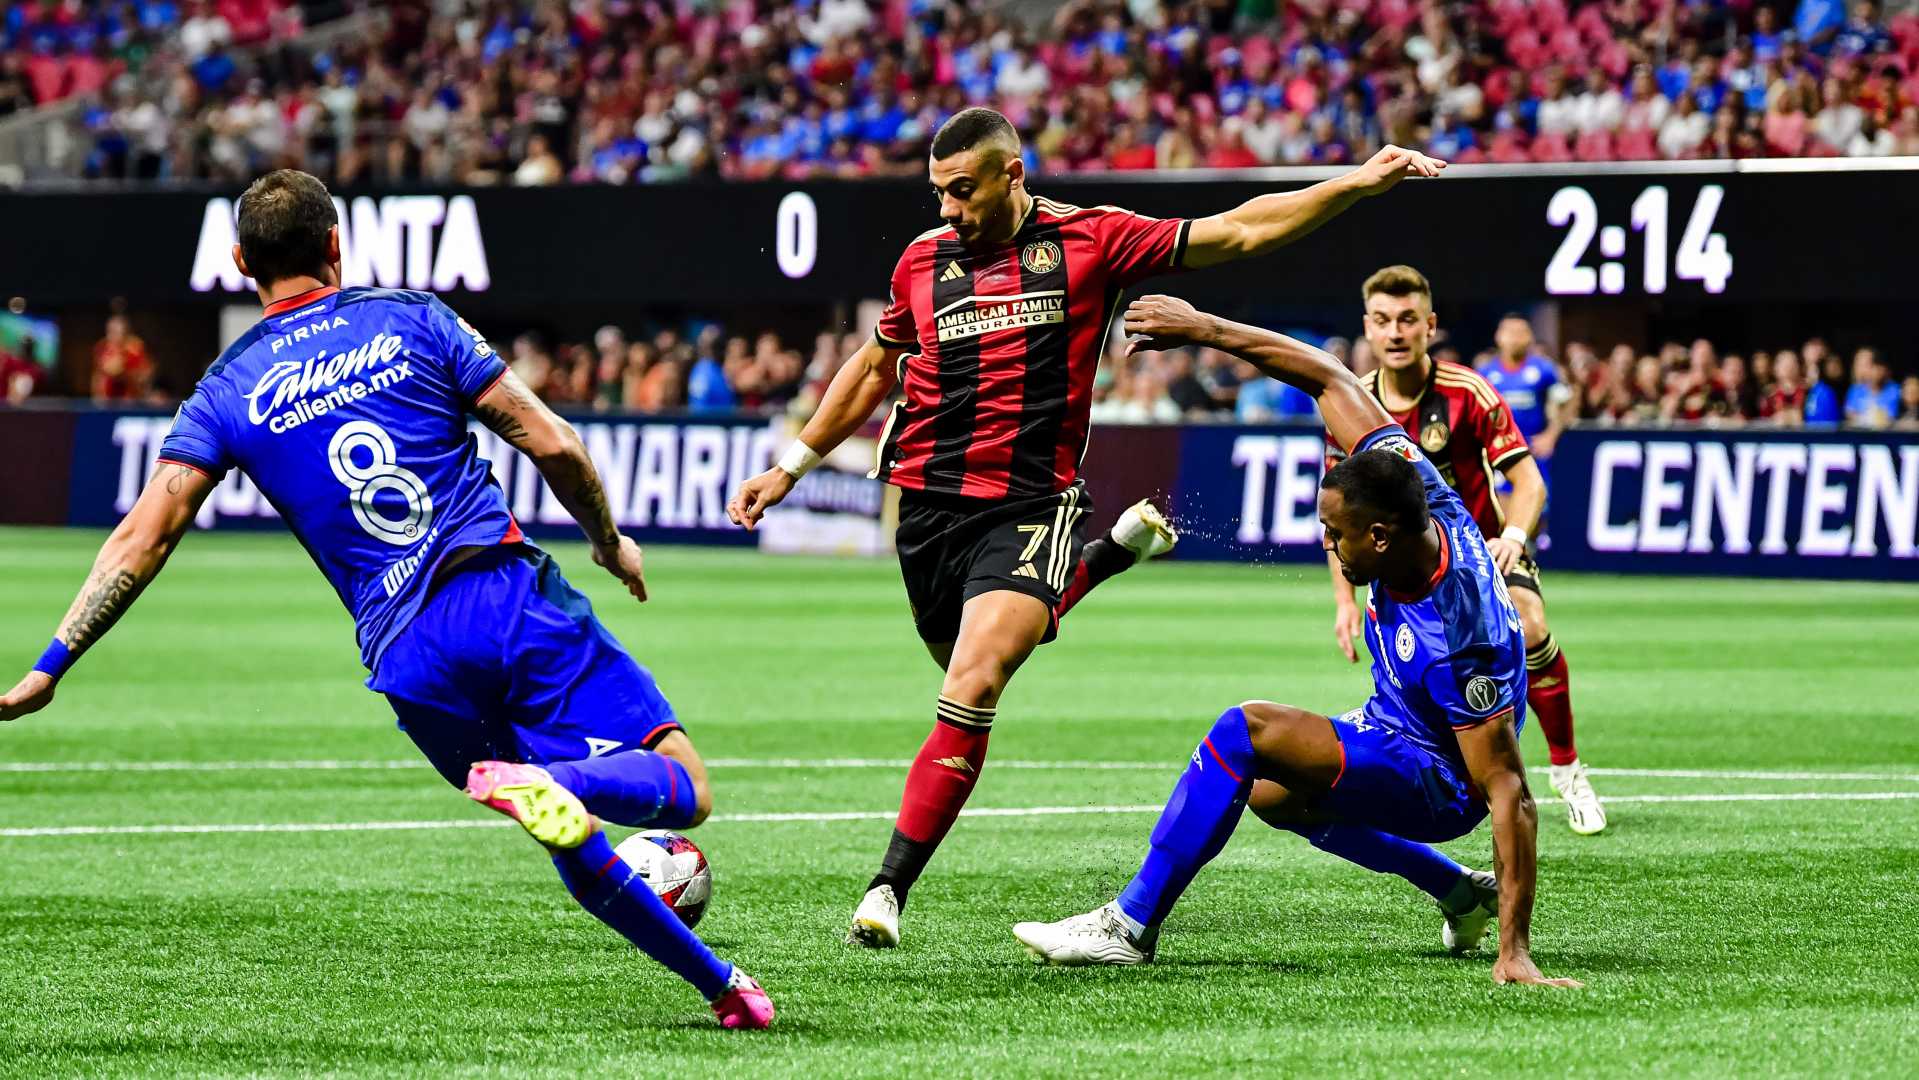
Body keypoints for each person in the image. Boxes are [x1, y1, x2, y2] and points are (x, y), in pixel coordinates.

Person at [0, 170, 773, 1030]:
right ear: (336, 244)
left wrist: (52, 661)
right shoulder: (412, 318)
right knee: (683, 785)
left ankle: (726, 990)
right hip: (502, 593)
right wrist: (604, 539)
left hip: (408, 661)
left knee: (561, 829)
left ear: (238, 263)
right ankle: (551, 778)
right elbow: (551, 441)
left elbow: (142, 538)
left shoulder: (225, 388)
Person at [726, 107, 1445, 949]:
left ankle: (887, 887)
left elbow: (1238, 232)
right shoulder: (921, 262)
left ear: (1011, 173)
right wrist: (793, 464)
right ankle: (1105, 560)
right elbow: (874, 367)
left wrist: (1356, 182)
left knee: (975, 679)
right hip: (925, 509)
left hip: (1031, 502)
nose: (948, 210)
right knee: (973, 650)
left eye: (961, 191)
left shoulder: (1090, 240)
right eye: (936, 193)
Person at [1012, 293, 1580, 989]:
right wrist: (1205, 326)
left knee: (1241, 731)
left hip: (1440, 779)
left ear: (1378, 537)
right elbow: (1328, 378)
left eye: (1335, 533)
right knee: (1272, 794)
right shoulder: (1414, 488)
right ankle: (1460, 892)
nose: (1324, 541)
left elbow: (1507, 792)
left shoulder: (1462, 637)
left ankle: (1128, 927)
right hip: (1397, 719)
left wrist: (1514, 953)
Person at [1325, 268, 1605, 834]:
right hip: (1408, 573)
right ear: (1367, 329)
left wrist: (1515, 537)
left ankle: (1568, 769)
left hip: (1485, 553)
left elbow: (1529, 481)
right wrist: (1343, 600)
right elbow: (1341, 517)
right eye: (1382, 321)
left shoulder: (1469, 392)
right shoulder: (1352, 404)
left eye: (1408, 320)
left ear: (1430, 326)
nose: (1396, 333)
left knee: (1529, 627)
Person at [1843, 348, 1899, 427]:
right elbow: (1849, 413)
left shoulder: (1895, 390)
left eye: (1866, 365)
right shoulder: (1855, 389)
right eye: (1858, 364)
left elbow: (1892, 416)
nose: (1862, 369)